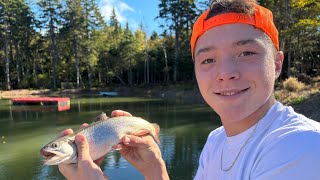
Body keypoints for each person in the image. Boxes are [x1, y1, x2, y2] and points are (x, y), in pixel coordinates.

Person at [58, 0, 320, 179]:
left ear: (276, 64)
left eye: (246, 52)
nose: (226, 72)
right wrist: (156, 172)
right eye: (208, 59)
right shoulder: (216, 140)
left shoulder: (301, 146)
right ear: (195, 69)